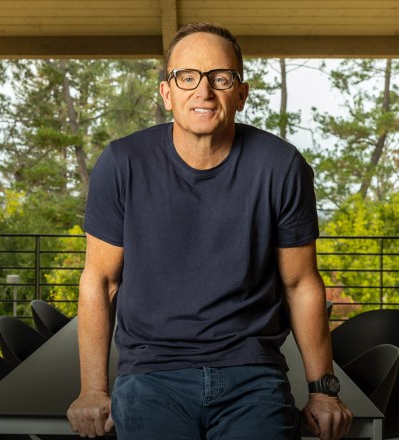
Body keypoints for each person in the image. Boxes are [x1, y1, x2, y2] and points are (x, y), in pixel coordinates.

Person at [67, 22, 353, 440]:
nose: (203, 91)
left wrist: (323, 390)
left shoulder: (281, 166)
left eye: (220, 78)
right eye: (187, 77)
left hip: (253, 375)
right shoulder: (122, 163)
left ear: (241, 93)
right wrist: (92, 389)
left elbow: (300, 283)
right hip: (150, 375)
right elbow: (100, 280)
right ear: (167, 93)